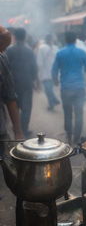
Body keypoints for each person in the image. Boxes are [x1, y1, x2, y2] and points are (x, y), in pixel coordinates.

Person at [52, 31, 86, 146]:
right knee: (79, 113)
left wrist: (55, 81)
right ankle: (76, 138)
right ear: (76, 40)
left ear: (65, 40)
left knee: (67, 113)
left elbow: (54, 70)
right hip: (79, 88)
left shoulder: (60, 53)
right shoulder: (82, 52)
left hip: (66, 88)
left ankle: (69, 136)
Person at [6, 28, 38, 138]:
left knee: (15, 106)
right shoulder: (29, 51)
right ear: (25, 37)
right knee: (26, 108)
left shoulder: (9, 50)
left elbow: (6, 67)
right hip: (26, 83)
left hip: (13, 83)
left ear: (14, 36)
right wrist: (34, 80)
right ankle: (24, 129)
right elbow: (34, 67)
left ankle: (16, 128)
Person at [0, 26, 23, 157]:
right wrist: (18, 131)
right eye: (3, 46)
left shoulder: (2, 58)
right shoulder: (2, 57)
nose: (3, 50)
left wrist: (18, 131)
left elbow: (10, 96)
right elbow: (10, 97)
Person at [37, 34, 60, 111]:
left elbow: (39, 62)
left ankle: (52, 103)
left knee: (48, 89)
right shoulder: (55, 48)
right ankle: (54, 101)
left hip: (46, 72)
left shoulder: (43, 48)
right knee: (48, 88)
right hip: (52, 72)